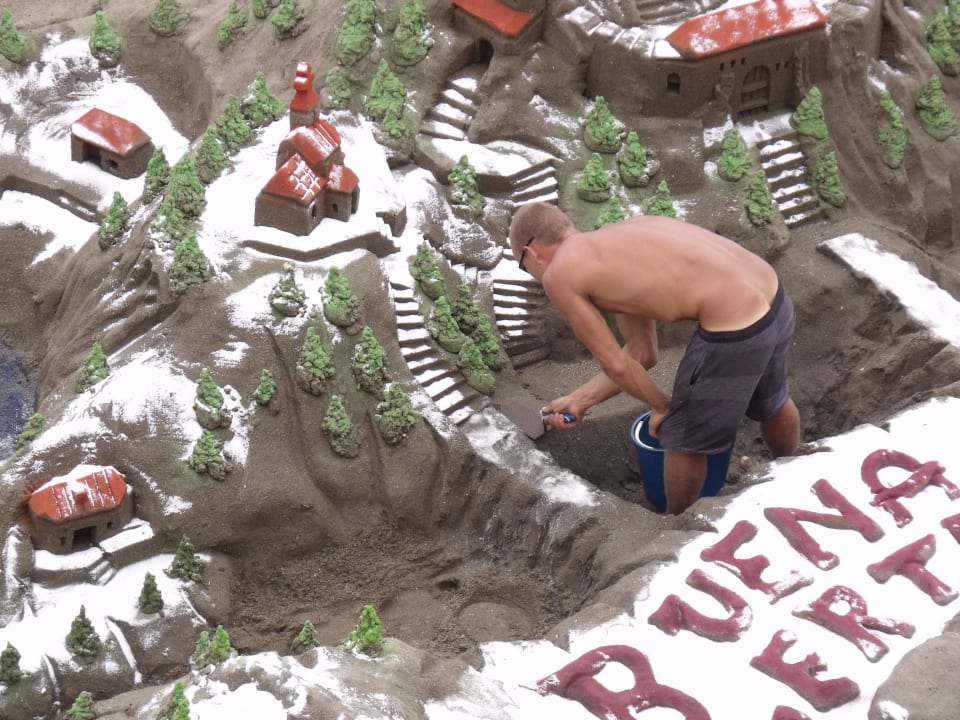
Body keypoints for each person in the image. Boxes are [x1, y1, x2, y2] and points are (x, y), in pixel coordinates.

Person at [508, 202, 799, 514]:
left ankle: (679, 527)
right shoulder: (618, 241)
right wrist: (580, 400)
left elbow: (615, 363)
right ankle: (796, 470)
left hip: (736, 323)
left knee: (682, 438)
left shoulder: (559, 274)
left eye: (524, 267)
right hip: (773, 296)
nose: (534, 275)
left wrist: (664, 407)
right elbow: (641, 353)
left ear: (533, 251)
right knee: (772, 401)